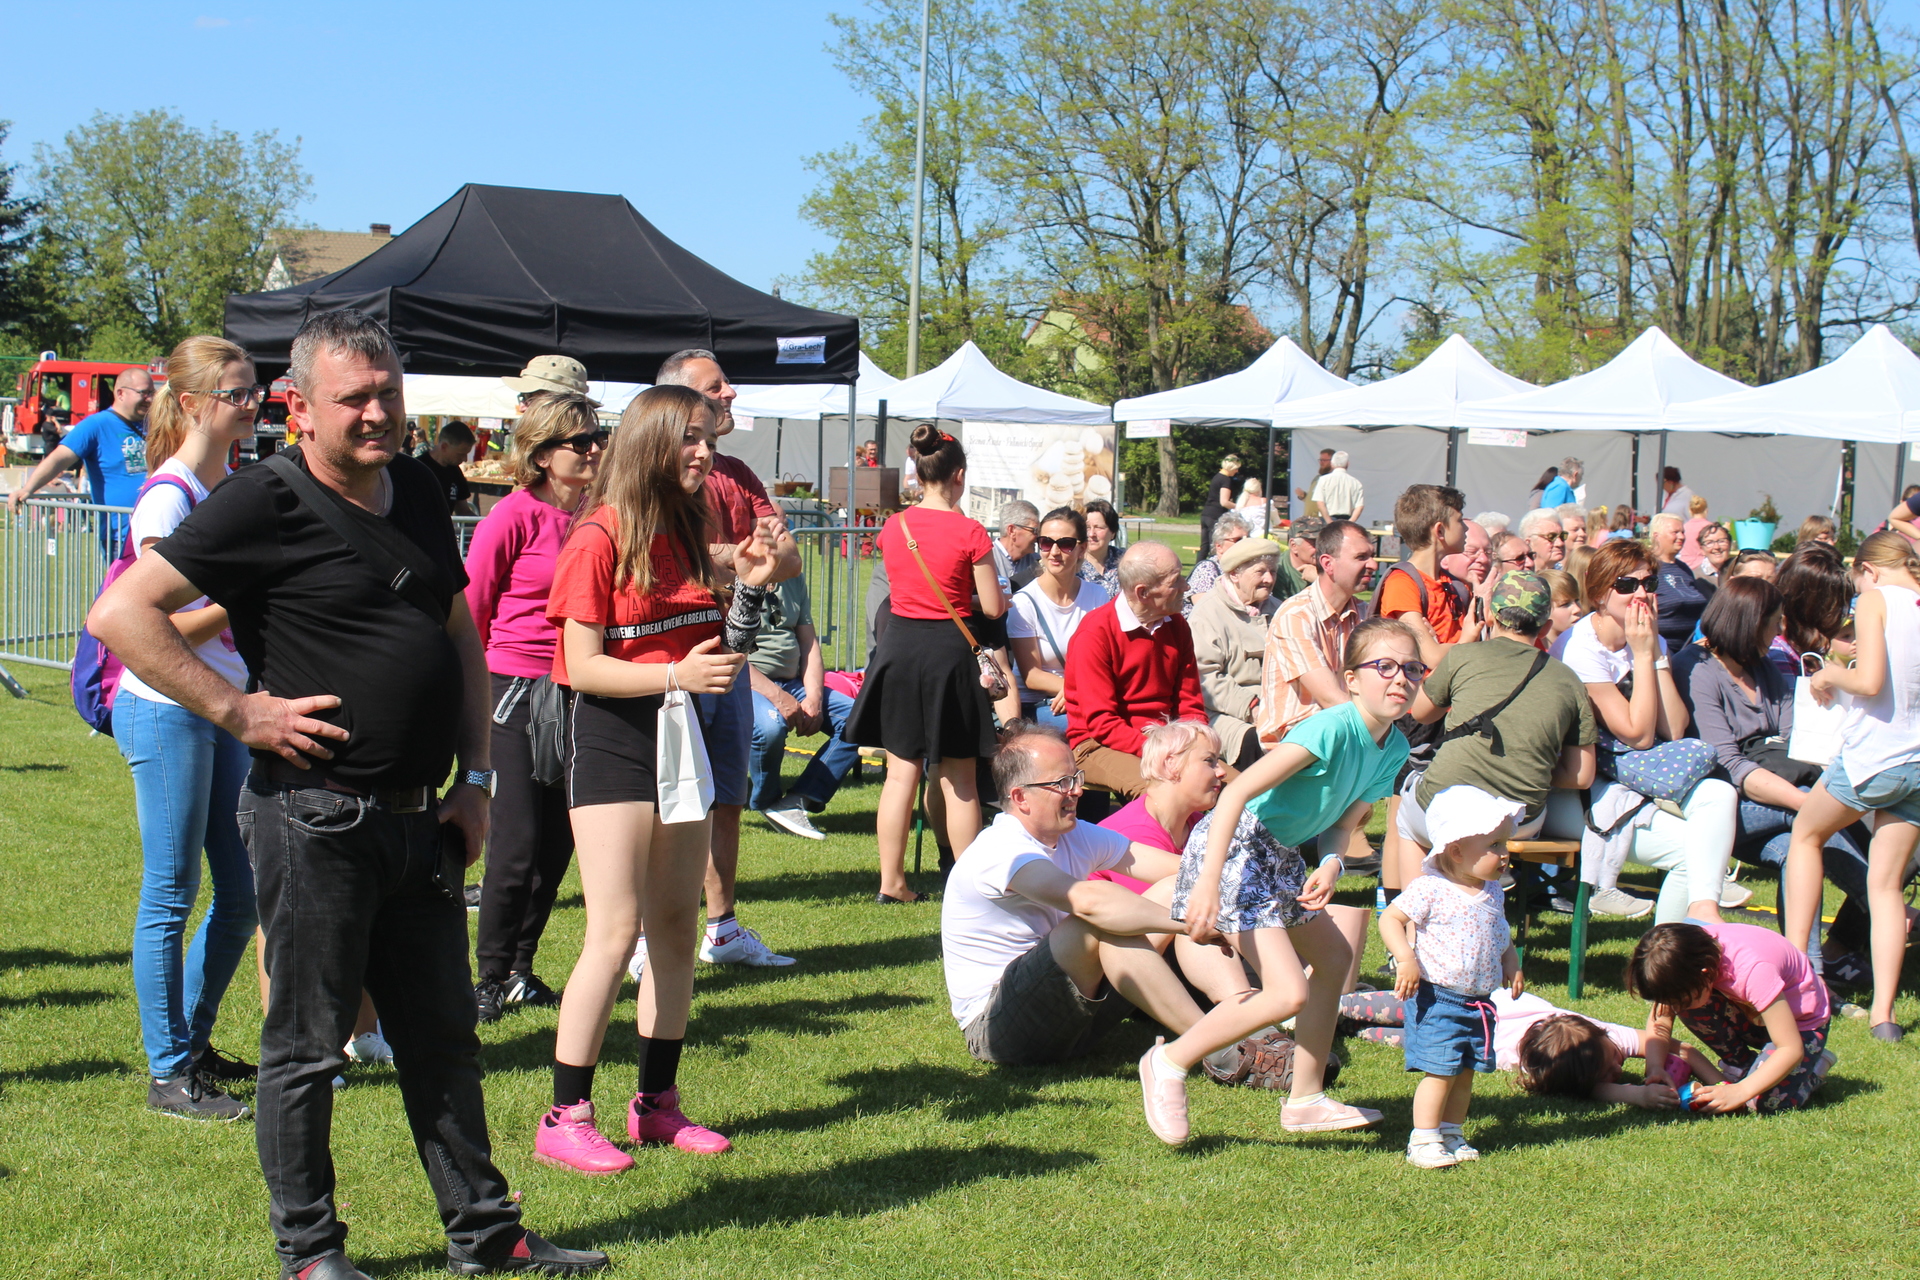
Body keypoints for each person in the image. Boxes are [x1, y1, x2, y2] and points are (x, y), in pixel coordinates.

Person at [88, 310, 606, 1277]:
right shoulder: (261, 500)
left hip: (422, 820)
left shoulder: (416, 486)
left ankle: (486, 1234)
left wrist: (477, 778)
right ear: (299, 406)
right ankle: (312, 1254)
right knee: (307, 1048)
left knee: (444, 1040)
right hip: (312, 817)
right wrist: (240, 712)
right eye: (354, 398)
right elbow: (121, 613)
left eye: (388, 394)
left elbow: (456, 629)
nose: (377, 414)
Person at [537, 383, 779, 1175]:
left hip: (680, 735)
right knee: (614, 933)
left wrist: (754, 586)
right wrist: (675, 676)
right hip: (612, 739)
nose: (705, 451)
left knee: (675, 926)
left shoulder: (689, 527)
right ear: (650, 443)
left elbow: (721, 647)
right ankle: (564, 1115)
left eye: (708, 437)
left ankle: (656, 1105)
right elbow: (581, 667)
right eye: (690, 437)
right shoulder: (597, 536)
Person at [1147, 618, 1425, 1146]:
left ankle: (1305, 1100)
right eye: (1385, 666)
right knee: (1287, 991)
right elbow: (1235, 794)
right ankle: (1170, 1061)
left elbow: (1345, 822)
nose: (1401, 679)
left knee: (1335, 959)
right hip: (1237, 845)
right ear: (1351, 679)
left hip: (1279, 853)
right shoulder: (1330, 729)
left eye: (1412, 669)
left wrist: (1332, 862)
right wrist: (1207, 882)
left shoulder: (1393, 748)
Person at [108, 337, 263, 1122]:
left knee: (242, 892)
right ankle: (169, 1072)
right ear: (197, 404)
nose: (254, 403)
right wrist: (246, 590)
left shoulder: (227, 488)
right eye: (239, 393)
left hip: (219, 705)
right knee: (171, 891)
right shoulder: (167, 498)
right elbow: (154, 624)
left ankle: (192, 1047)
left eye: (256, 390)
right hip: (166, 706)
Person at [942, 723, 1227, 1074]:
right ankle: (1219, 1046)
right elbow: (1088, 902)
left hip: (1075, 1017)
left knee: (1175, 888)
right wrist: (1188, 923)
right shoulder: (999, 849)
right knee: (1097, 923)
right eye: (1062, 783)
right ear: (1020, 798)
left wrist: (1245, 884)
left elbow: (1180, 871)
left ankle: (1242, 1012)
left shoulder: (1076, 834)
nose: (1077, 791)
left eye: (1076, 778)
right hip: (997, 1028)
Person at [653, 350, 803, 964]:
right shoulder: (654, 479)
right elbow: (673, 562)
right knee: (666, 802)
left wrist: (736, 560)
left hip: (733, 659)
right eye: (717, 387)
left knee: (726, 799)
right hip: (672, 663)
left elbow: (787, 558)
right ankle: (645, 935)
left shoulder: (738, 472)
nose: (732, 393)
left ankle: (723, 929)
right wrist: (734, 559)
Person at [462, 392, 604, 1023]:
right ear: (544, 455)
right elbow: (471, 611)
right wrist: (471, 698)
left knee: (557, 843)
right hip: (515, 688)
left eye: (599, 438)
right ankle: (488, 977)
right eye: (582, 442)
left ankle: (520, 969)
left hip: (581, 688)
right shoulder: (512, 516)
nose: (595, 450)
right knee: (516, 843)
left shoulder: (600, 515)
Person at [845, 425, 1006, 902]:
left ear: (918, 471)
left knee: (900, 775)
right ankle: (970, 889)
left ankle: (891, 882)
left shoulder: (895, 526)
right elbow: (993, 607)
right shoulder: (971, 531)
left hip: (899, 649)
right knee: (959, 779)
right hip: (949, 655)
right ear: (959, 475)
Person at [1685, 577, 1873, 974]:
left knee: (1797, 849)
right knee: (1810, 819)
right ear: (1750, 623)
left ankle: (1808, 973)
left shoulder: (1764, 667)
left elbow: (1796, 741)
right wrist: (1812, 804)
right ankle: (1878, 900)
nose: (1779, 631)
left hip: (1780, 794)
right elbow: (1730, 766)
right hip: (1723, 807)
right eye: (1774, 622)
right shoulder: (1697, 668)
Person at [1554, 539, 1737, 923]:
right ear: (1599, 593)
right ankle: (1672, 946)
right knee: (1693, 854)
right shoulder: (1579, 648)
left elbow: (1675, 727)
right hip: (1579, 789)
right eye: (1626, 585)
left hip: (1632, 774)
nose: (1640, 594)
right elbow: (1638, 735)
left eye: (1649, 583)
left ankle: (1701, 915)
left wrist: (1653, 654)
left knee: (1720, 793)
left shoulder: (1648, 638)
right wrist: (1641, 653)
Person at [1783, 532, 1920, 1043]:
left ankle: (1797, 974)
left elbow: (1870, 683)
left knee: (1805, 836)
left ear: (1869, 571)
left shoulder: (1876, 599)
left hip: (1873, 758)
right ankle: (1885, 1016)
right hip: (1917, 762)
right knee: (1886, 886)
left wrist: (1829, 676)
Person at [1395, 572, 1598, 901]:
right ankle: (1482, 880)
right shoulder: (1569, 680)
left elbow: (1420, 712)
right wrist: (1531, 763)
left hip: (1445, 802)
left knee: (1406, 811)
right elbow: (1582, 775)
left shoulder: (1462, 657)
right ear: (1546, 627)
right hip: (1520, 817)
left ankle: (1415, 916)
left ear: (1490, 616)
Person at [1379, 785, 1526, 1168]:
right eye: (1494, 845)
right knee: (1440, 1072)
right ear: (1457, 851)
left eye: (1504, 843)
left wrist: (1511, 962)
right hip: (1439, 999)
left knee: (1465, 1073)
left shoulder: (1493, 891)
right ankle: (1423, 1139)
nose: (1504, 853)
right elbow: (1390, 919)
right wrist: (1405, 958)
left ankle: (1451, 1131)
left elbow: (1500, 932)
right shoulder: (1431, 888)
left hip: (1478, 1003)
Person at [1338, 985, 1699, 1108]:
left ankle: (1346, 1025)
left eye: (1612, 1068)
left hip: (1462, 1037)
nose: (1620, 1067)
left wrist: (1718, 1081)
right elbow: (1596, 1090)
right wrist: (1637, 1095)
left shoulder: (1598, 1044)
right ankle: (1331, 1005)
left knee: (1380, 1033)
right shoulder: (1600, 1042)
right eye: (1612, 1066)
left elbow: (1681, 1049)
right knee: (1381, 1006)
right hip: (1468, 1003)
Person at [1627, 922, 1834, 1112]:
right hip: (1754, 1014)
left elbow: (1789, 1048)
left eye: (1680, 1000)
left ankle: (1812, 1069)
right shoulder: (1687, 956)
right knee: (1692, 1006)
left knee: (1765, 1102)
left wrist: (1740, 1091)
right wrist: (1655, 1067)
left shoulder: (1753, 971)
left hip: (1799, 1026)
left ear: (1705, 973)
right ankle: (1743, 1067)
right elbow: (1661, 1017)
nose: (1675, 1008)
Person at [1063, 542, 1205, 798]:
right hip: (1097, 745)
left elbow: (1190, 704)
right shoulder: (1095, 634)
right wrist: (1163, 752)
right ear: (1143, 592)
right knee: (1163, 796)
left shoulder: (1177, 625)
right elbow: (1102, 723)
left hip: (1166, 742)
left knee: (1238, 789)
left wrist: (1198, 743)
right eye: (1176, 580)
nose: (1186, 586)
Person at [748, 567, 859, 842]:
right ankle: (768, 801)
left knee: (860, 720)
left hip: (793, 681)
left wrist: (814, 698)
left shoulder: (793, 576)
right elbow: (730, 653)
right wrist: (777, 697)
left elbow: (809, 644)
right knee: (770, 729)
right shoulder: (730, 576)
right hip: (746, 682)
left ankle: (799, 799)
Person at [8, 364, 156, 552]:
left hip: (160, 531)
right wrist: (28, 489)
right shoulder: (96, 425)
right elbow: (58, 459)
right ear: (121, 393)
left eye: (152, 393)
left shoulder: (156, 424)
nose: (150, 399)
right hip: (121, 536)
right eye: (144, 393)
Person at [1256, 519, 1376, 747]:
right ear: (1328, 564)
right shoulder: (1296, 615)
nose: (1373, 565)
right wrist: (1378, 728)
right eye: (1361, 557)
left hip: (1346, 733)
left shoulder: (1363, 614)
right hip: (1296, 744)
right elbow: (1329, 698)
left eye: (1372, 556)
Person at [1007, 507, 1108, 731]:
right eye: (1045, 543)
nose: (1054, 552)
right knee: (1095, 727)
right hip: (1039, 706)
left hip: (1085, 699)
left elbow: (1105, 660)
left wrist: (1078, 692)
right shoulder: (1024, 602)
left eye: (1065, 544)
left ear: (1082, 548)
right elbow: (1031, 675)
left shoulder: (1098, 595)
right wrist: (1076, 689)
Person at [1189, 537, 1283, 769]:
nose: (1269, 579)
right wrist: (1252, 707)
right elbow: (1206, 679)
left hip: (1279, 707)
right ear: (1234, 575)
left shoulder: (1280, 610)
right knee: (1257, 741)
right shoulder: (1207, 614)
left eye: (1272, 571)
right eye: (1260, 572)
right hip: (1223, 712)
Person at [1768, 541, 1851, 677]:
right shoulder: (1779, 652)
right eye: (1835, 604)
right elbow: (1790, 691)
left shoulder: (1803, 647)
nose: (1840, 612)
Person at [1650, 512, 1710, 650]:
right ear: (1656, 535)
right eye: (1675, 532)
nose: (1681, 537)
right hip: (1663, 647)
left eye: (1682, 532)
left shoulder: (1683, 569)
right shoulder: (1648, 567)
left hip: (1693, 647)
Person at [1182, 510, 1250, 610]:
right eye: (1238, 540)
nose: (1244, 544)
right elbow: (1205, 609)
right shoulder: (1207, 569)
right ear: (1219, 546)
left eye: (1247, 539)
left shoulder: (1249, 569)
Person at [419, 420, 476, 516]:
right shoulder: (417, 468)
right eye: (460, 454)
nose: (465, 459)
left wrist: (485, 523)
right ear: (444, 446)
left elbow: (463, 511)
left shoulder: (455, 472)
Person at [1199, 453, 1245, 557]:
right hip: (1215, 515)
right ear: (1231, 467)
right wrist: (1239, 507)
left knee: (1204, 547)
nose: (1237, 471)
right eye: (1236, 469)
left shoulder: (1216, 477)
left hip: (1206, 514)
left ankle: (1198, 565)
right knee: (1214, 546)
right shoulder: (1226, 480)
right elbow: (1224, 502)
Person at [1273, 515, 1324, 599]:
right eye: (1314, 543)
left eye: (1323, 542)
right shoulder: (1278, 570)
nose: (1321, 548)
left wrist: (1319, 580)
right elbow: (1283, 606)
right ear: (1294, 546)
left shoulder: (1328, 563)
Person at [992, 499, 1041, 584]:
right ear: (1012, 531)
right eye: (1035, 531)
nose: (1038, 537)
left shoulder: (1037, 562)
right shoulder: (985, 559)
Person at [1080, 498, 1123, 597]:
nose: (1091, 534)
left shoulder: (1125, 561)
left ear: (1113, 532)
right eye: (1087, 527)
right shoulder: (1072, 565)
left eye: (1098, 527)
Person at [1310, 449, 1364, 522]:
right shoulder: (1356, 482)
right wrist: (1350, 522)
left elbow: (1320, 503)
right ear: (1348, 464)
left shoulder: (1323, 480)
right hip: (1346, 520)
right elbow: (1359, 506)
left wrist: (1329, 521)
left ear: (1332, 463)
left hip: (1327, 519)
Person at [1540, 566, 1582, 648]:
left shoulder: (1588, 642)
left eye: (1577, 600)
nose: (1577, 609)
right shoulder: (1533, 649)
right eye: (1565, 604)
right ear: (1544, 610)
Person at [1693, 521, 1734, 586]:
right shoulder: (1695, 577)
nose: (1716, 547)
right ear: (1702, 550)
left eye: (1721, 541)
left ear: (1730, 545)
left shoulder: (1739, 571)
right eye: (1709, 543)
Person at [1679, 494, 1712, 569]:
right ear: (1706, 510)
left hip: (1685, 565)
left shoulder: (1683, 527)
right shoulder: (1711, 528)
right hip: (1704, 567)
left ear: (1690, 511)